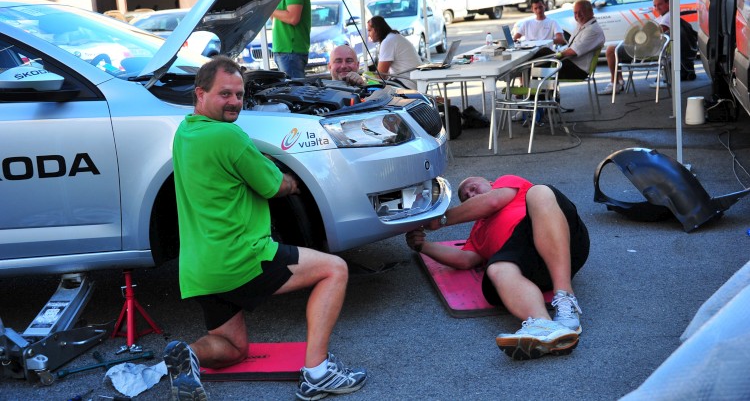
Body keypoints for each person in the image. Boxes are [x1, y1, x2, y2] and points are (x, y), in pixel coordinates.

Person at [167, 56, 366, 401]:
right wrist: (291, 180)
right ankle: (318, 373)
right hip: (240, 258)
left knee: (233, 349)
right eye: (225, 94)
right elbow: (275, 186)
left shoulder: (186, 131)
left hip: (199, 269)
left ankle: (189, 355)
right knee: (335, 269)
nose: (234, 102)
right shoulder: (227, 135)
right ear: (200, 93)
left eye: (239, 95)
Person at [406, 175, 590, 361]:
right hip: (530, 267)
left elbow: (492, 201)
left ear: (491, 183)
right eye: (465, 197)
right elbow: (464, 260)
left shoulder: (508, 184)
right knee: (496, 269)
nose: (470, 194)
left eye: (473, 187)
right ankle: (544, 326)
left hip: (564, 241)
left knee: (540, 192)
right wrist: (422, 246)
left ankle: (565, 298)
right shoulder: (478, 232)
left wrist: (440, 220)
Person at [600, 0, 671, 95]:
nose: (657, 8)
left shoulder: (668, 16)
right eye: (655, 5)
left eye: (659, 4)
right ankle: (619, 81)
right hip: (647, 48)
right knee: (615, 47)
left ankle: (614, 83)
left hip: (648, 50)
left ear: (668, 3)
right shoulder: (663, 16)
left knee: (611, 50)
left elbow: (656, 32)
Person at [534, 0, 605, 81]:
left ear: (590, 12)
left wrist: (556, 55)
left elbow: (573, 51)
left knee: (542, 55)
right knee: (538, 60)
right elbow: (570, 47)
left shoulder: (593, 30)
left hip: (577, 70)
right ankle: (534, 85)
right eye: (575, 13)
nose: (578, 15)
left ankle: (532, 86)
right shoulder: (583, 26)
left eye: (581, 12)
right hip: (571, 64)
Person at [366, 15, 422, 90]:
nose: (368, 34)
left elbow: (380, 76)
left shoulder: (388, 41)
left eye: (370, 30)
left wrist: (366, 80)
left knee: (370, 89)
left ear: (377, 29)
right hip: (414, 82)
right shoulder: (393, 37)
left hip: (407, 84)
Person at [272, 0, 312, 79]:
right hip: (284, 50)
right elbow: (276, 18)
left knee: (293, 87)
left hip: (291, 51)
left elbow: (293, 18)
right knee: (290, 86)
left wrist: (268, 9)